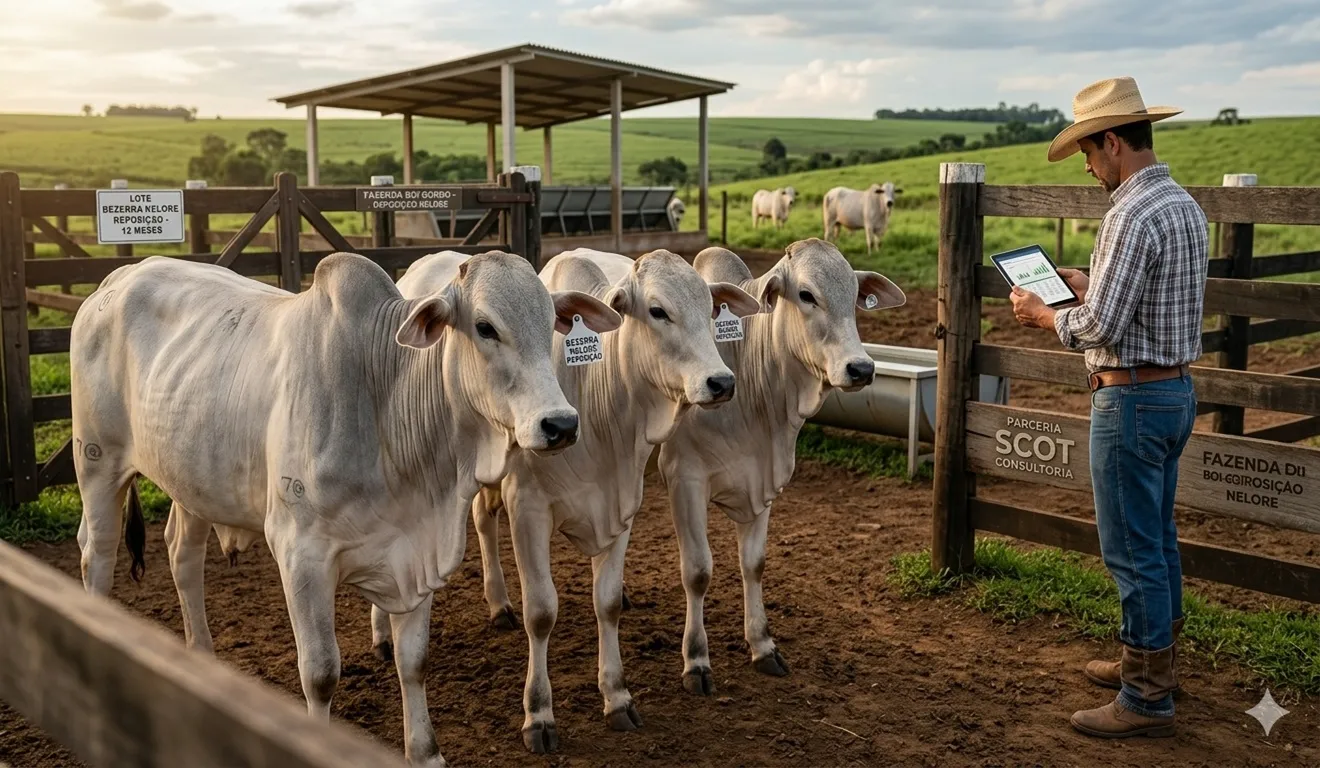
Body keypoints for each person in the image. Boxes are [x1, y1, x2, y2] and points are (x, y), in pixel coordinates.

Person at [1008, 76, 1207, 739]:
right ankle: (1153, 662)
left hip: (1129, 397)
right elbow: (1146, 298)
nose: (1092, 169)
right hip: (1174, 390)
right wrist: (1091, 282)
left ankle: (1146, 695)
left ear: (1114, 142)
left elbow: (1101, 328)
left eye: (1090, 155)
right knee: (1158, 538)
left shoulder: (1129, 213)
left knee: (1131, 549)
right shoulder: (1182, 205)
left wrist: (1046, 313)